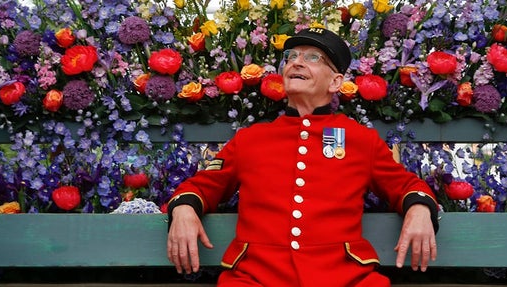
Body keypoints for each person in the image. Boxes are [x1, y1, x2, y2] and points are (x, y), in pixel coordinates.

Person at [166, 27, 439, 287]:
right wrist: (184, 208)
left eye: (312, 58)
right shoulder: (249, 140)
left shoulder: (359, 140)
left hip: (344, 278)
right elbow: (202, 185)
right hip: (255, 277)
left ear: (336, 82)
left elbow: (405, 185)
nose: (297, 62)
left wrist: (419, 208)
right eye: (291, 56)